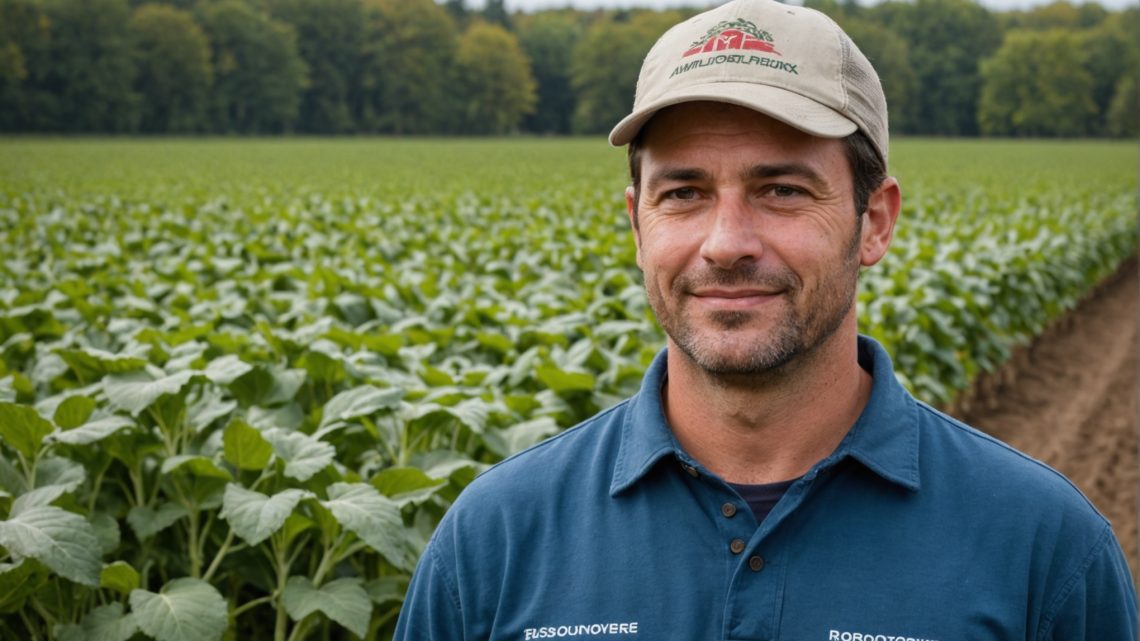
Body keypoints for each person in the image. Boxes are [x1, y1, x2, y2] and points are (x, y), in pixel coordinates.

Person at [393, 0, 1138, 638]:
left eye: (781, 190)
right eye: (682, 193)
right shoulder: (491, 541)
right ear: (637, 222)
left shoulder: (1046, 551)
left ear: (873, 221)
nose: (726, 244)